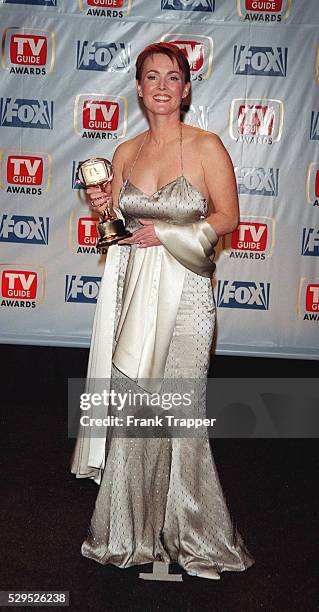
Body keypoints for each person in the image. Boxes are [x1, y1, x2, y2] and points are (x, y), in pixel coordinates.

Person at [71, 42, 255, 580]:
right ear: (138, 87)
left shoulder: (206, 147)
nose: (161, 86)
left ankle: (196, 534)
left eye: (172, 77)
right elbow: (118, 227)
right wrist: (103, 209)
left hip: (188, 297)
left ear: (186, 88)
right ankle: (129, 533)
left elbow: (227, 218)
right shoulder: (125, 152)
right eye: (151, 77)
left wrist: (168, 233)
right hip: (134, 291)